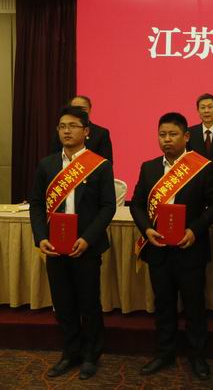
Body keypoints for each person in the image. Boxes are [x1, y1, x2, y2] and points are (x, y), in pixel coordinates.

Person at [129, 112, 213, 381]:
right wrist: (146, 229)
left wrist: (194, 230)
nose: (167, 140)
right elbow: (137, 204)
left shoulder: (202, 167)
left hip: (190, 248)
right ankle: (164, 353)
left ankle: (197, 356)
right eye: (162, 135)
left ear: (186, 136)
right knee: (164, 304)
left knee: (194, 306)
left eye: (173, 134)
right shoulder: (149, 167)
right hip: (158, 248)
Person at [30, 106, 116, 380]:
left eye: (73, 126)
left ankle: (91, 355)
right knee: (63, 303)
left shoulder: (100, 165)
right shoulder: (47, 165)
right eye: (62, 126)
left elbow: (108, 207)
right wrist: (41, 237)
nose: (66, 131)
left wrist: (87, 239)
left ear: (86, 131)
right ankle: (70, 352)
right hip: (54, 246)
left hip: (85, 247)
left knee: (89, 303)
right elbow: (36, 204)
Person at [50, 95, 114, 162]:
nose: (78, 112)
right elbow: (53, 159)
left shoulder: (101, 133)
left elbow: (106, 162)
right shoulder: (62, 131)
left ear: (90, 110)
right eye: (74, 109)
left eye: (82, 109)